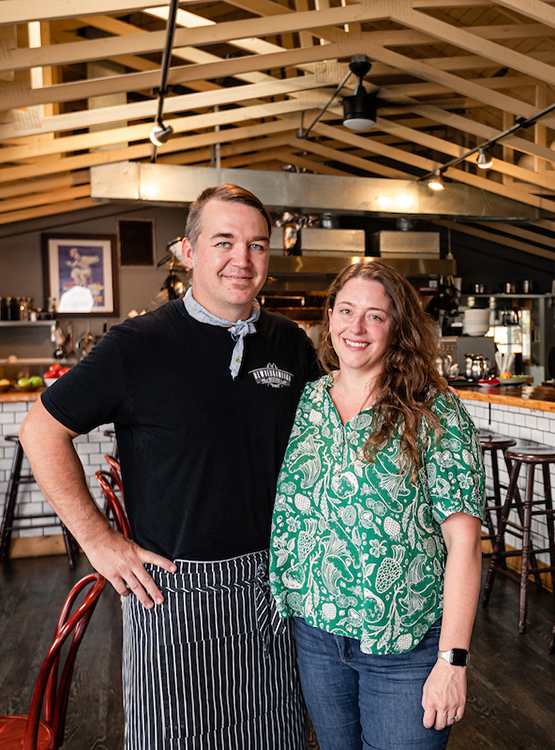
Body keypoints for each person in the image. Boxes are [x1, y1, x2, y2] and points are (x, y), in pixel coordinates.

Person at [19, 184, 320, 750]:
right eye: (224, 242)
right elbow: (41, 430)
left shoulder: (288, 343)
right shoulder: (137, 345)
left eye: (257, 245)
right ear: (188, 251)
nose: (243, 260)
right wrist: (98, 541)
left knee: (276, 738)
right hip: (173, 593)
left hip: (273, 589)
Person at [269, 261, 485, 750]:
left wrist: (452, 662)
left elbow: (465, 545)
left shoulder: (434, 410)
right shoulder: (308, 402)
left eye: (376, 316)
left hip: (404, 643)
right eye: (346, 311)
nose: (357, 327)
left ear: (398, 328)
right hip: (316, 634)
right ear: (329, 317)